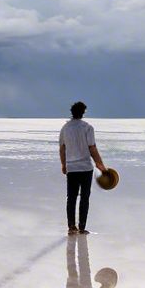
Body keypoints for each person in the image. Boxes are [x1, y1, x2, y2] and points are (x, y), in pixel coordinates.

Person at [58, 100, 104, 235]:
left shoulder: (65, 128)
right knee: (84, 197)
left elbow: (62, 149)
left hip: (72, 168)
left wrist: (63, 164)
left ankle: (71, 226)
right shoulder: (87, 127)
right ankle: (82, 227)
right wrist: (100, 164)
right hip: (85, 168)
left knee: (71, 197)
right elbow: (92, 148)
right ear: (83, 112)